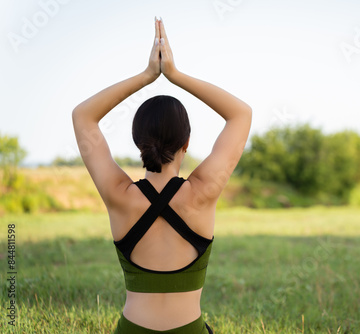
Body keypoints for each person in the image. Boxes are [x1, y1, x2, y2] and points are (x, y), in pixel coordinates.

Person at [72, 17, 252, 334]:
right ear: (186, 143)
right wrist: (175, 75)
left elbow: (83, 116)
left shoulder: (118, 194)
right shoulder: (203, 192)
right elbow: (241, 114)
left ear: (137, 143)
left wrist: (146, 76)